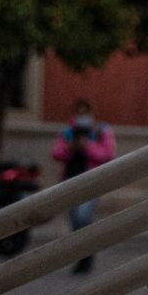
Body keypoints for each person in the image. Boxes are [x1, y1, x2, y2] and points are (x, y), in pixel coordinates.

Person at [50, 98, 115, 275]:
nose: (82, 117)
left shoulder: (102, 131)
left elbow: (108, 153)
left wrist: (87, 146)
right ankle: (82, 256)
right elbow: (56, 153)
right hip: (70, 181)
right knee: (75, 221)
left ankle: (86, 257)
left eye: (85, 113)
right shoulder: (68, 132)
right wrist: (71, 148)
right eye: (79, 113)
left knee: (82, 217)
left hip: (91, 182)